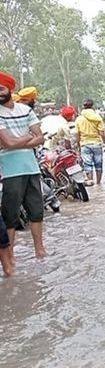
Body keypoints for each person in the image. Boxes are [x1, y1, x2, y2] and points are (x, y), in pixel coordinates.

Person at [0, 71, 47, 271]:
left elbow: (41, 137)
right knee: (10, 215)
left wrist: (14, 144)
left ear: (10, 89)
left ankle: (40, 250)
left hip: (31, 167)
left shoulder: (25, 110)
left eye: (1, 89)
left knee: (36, 211)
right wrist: (27, 139)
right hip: (9, 170)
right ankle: (10, 257)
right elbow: (9, 142)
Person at [75, 99, 105, 186]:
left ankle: (91, 182)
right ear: (92, 106)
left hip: (84, 144)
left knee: (87, 165)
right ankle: (99, 184)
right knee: (99, 164)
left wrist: (78, 145)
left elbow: (77, 134)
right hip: (97, 143)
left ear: (83, 107)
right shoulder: (97, 118)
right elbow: (101, 132)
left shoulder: (79, 119)